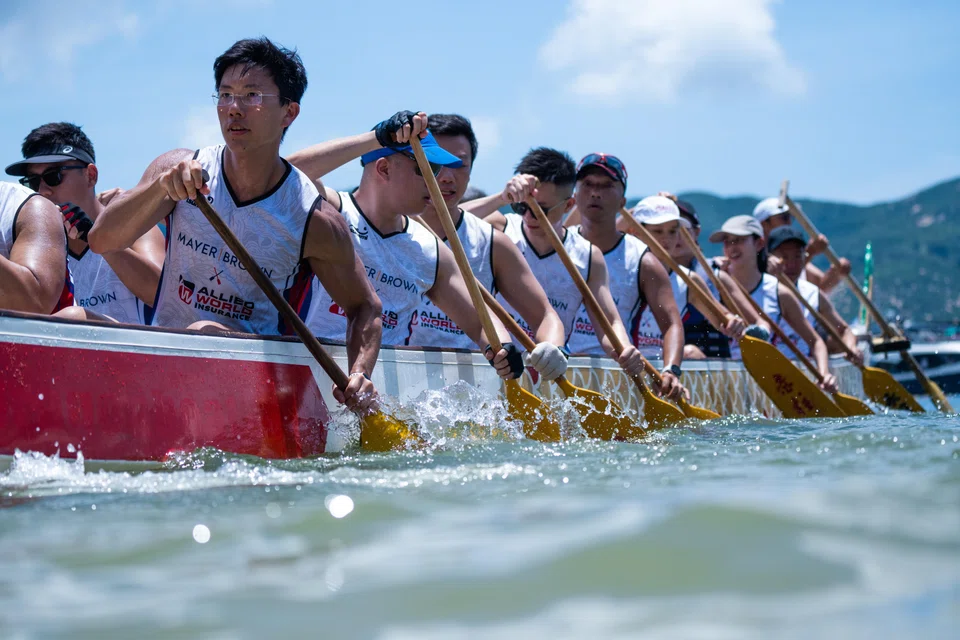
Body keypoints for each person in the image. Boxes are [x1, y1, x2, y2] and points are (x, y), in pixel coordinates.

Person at [88, 37, 383, 413]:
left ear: (288, 113)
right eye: (224, 95)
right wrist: (161, 190)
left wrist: (360, 373)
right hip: (167, 352)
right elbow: (101, 240)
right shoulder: (177, 170)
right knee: (71, 318)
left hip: (258, 382)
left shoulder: (315, 218)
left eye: (252, 96)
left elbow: (365, 307)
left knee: (201, 334)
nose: (233, 109)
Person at [287, 113, 567, 382]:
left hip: (377, 386)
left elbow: (480, 321)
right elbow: (284, 172)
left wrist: (502, 348)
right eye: (427, 169)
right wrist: (376, 138)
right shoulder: (330, 209)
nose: (438, 179)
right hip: (301, 374)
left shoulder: (428, 247)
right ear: (383, 168)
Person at [467, 149, 657, 394]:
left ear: (569, 205)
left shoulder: (588, 256)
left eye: (541, 209)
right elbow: (440, 221)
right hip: (497, 364)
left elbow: (609, 322)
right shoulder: (499, 228)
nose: (529, 216)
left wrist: (624, 348)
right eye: (521, 206)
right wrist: (501, 199)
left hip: (550, 370)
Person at [6, 123, 163, 324]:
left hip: (136, 352)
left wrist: (97, 240)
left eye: (53, 177)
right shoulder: (27, 243)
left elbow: (162, 296)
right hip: (68, 353)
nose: (42, 191)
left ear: (91, 176)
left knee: (75, 317)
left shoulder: (135, 226)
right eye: (33, 182)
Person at [564, 154, 685, 399]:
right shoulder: (557, 244)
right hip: (558, 367)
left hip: (615, 374)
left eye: (607, 186)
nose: (596, 193)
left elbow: (671, 323)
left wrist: (671, 369)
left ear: (622, 202)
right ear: (575, 195)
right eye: (588, 184)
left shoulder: (644, 261)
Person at [708, 215, 838, 392]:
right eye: (727, 241)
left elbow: (815, 341)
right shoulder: (713, 283)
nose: (731, 247)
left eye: (739, 240)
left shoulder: (779, 293)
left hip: (776, 384)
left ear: (759, 244)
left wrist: (824, 374)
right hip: (732, 384)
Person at [625, 196, 746, 360]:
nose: (666, 238)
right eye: (658, 231)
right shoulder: (620, 271)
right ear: (636, 233)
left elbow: (721, 319)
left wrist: (733, 322)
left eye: (673, 231)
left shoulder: (689, 281)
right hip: (621, 365)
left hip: (662, 371)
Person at [767, 226, 863, 365]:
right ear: (770, 258)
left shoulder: (812, 293)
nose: (792, 264)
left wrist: (851, 348)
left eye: (797, 256)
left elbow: (844, 330)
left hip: (805, 369)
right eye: (784, 257)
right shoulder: (757, 288)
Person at [0, 181, 72, 314]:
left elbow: (35, 303)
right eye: (32, 179)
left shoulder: (32, 206)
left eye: (53, 176)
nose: (43, 189)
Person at [752, 197, 850, 292]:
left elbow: (819, 290)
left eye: (790, 217)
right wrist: (810, 252)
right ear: (764, 224)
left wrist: (836, 273)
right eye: (784, 218)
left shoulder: (799, 255)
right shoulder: (752, 255)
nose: (789, 222)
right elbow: (773, 280)